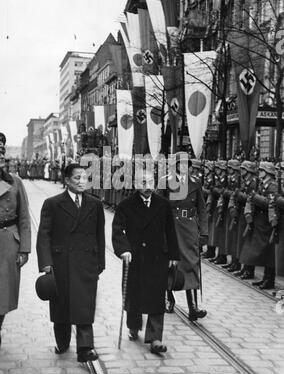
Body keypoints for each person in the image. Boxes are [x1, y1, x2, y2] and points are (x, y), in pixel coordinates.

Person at [36, 163, 105, 363]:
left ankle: (85, 348)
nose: (82, 182)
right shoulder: (53, 203)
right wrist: (46, 263)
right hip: (60, 262)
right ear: (66, 180)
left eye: (85, 178)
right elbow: (44, 235)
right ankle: (62, 340)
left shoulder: (95, 204)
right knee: (61, 305)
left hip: (86, 263)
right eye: (77, 178)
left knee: (84, 306)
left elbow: (99, 235)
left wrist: (100, 263)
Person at [112, 170, 179, 354]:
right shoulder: (126, 205)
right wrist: (123, 250)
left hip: (158, 257)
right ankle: (133, 326)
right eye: (143, 182)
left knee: (157, 296)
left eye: (151, 182)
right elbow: (118, 230)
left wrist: (173, 255)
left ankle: (155, 338)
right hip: (134, 257)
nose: (148, 187)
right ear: (135, 184)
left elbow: (171, 231)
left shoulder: (163, 205)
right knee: (134, 294)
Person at [0, 133, 31, 369]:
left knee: (1, 294)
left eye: (3, 152)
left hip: (6, 244)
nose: (2, 156)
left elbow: (24, 218)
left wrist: (24, 249)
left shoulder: (14, 182)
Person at [158, 154, 208, 321]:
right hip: (170, 228)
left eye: (187, 164)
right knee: (169, 264)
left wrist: (204, 234)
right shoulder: (165, 182)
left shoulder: (195, 183)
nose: (184, 167)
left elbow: (202, 209)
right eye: (181, 163)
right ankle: (168, 298)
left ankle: (193, 307)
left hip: (189, 229)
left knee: (191, 264)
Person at [240, 162, 277, 289]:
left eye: (261, 170)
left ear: (267, 172)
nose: (259, 172)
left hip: (267, 222)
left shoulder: (272, 186)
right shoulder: (263, 184)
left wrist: (255, 197)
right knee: (264, 252)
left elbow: (270, 203)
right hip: (260, 221)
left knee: (268, 252)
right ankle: (265, 278)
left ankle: (269, 279)